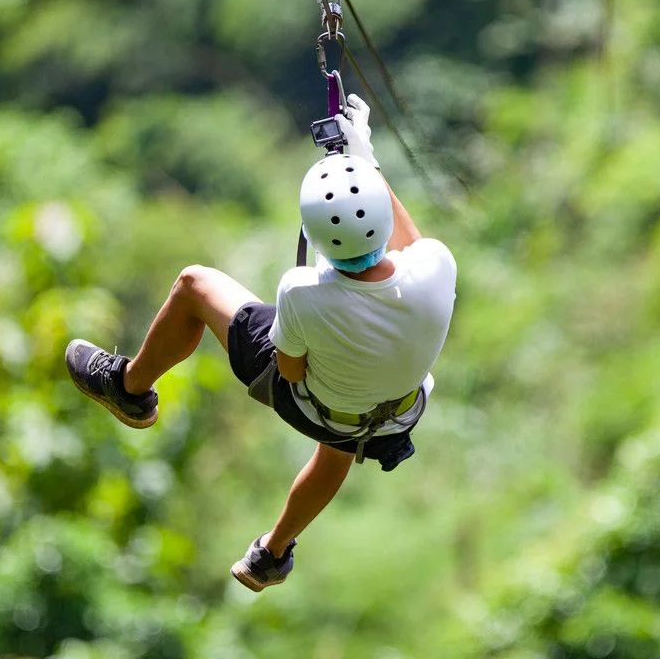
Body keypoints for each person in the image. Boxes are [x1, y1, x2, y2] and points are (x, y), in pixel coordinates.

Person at [64, 95, 457, 591]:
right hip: (394, 416)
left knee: (194, 285)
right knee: (340, 437)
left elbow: (290, 373)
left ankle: (128, 387)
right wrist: (366, 163)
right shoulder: (439, 265)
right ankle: (271, 554)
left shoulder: (303, 292)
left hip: (317, 406)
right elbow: (409, 244)